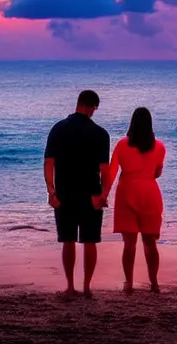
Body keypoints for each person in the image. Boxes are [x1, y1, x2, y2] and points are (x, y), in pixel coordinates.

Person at [43, 90, 111, 299]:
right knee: (89, 241)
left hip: (64, 193)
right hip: (91, 194)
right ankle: (87, 287)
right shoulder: (100, 134)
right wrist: (103, 195)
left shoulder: (58, 129)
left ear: (78, 104)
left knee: (68, 240)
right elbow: (105, 170)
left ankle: (70, 287)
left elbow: (49, 163)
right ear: (93, 107)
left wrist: (51, 190)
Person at [101, 107, 166, 294]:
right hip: (150, 193)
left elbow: (112, 172)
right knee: (150, 243)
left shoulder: (122, 145)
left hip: (127, 191)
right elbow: (157, 173)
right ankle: (154, 283)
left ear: (132, 123)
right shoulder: (160, 147)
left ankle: (128, 283)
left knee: (129, 244)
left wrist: (104, 195)